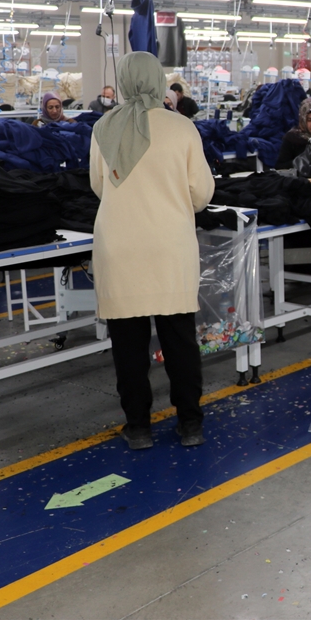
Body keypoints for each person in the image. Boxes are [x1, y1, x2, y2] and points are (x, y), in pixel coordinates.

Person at [89, 52, 215, 450]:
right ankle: (190, 424)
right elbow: (201, 193)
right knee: (179, 341)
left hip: (120, 247)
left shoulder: (103, 127)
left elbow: (98, 185)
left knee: (128, 347)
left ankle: (139, 427)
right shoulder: (181, 127)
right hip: (168, 246)